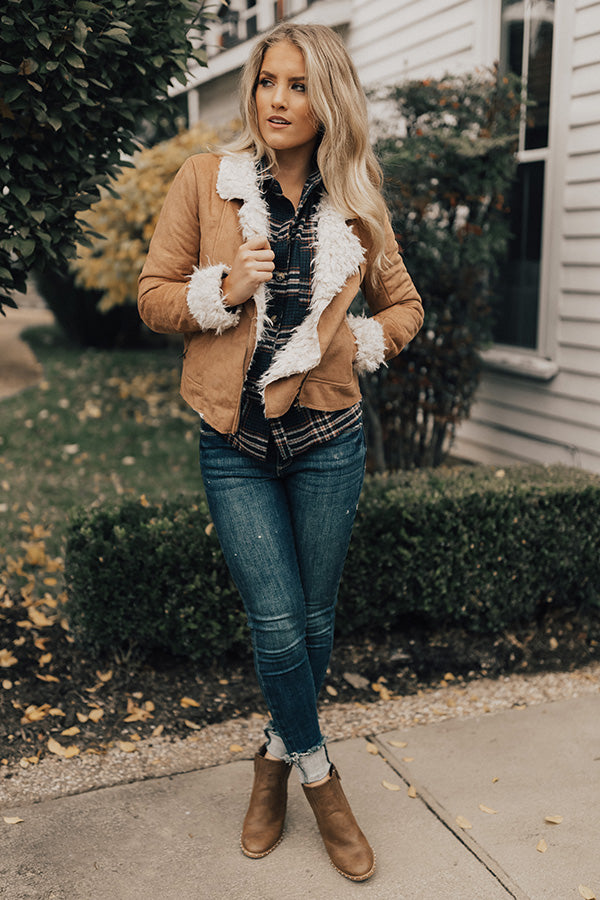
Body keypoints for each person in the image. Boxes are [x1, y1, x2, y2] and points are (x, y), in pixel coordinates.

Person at [138, 22, 423, 882]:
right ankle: (321, 778)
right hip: (236, 443)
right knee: (273, 621)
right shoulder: (207, 181)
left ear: (326, 97)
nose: (277, 101)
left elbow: (404, 307)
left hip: (329, 439)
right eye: (268, 82)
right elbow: (154, 297)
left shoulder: (356, 192)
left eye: (298, 86)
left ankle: (270, 759)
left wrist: (359, 346)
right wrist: (227, 289)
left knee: (311, 620)